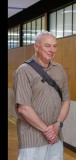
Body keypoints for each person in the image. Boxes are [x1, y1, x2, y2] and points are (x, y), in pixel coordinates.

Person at [13, 31, 71, 160]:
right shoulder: (24, 71)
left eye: (54, 46)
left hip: (56, 138)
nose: (52, 50)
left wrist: (58, 125)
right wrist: (48, 131)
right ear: (36, 46)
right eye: (47, 46)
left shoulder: (59, 69)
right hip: (32, 140)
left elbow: (66, 100)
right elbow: (23, 108)